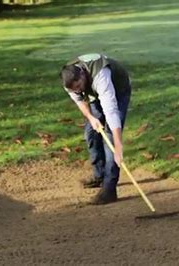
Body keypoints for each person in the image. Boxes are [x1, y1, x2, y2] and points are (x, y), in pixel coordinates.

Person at [59, 53, 131, 204]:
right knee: (91, 133)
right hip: (95, 96)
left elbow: (111, 112)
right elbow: (80, 101)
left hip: (118, 90)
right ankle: (99, 175)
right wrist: (92, 119)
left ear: (82, 75)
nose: (77, 91)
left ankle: (109, 190)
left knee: (110, 138)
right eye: (74, 90)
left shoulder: (101, 77)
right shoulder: (70, 82)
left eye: (79, 87)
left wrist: (118, 146)